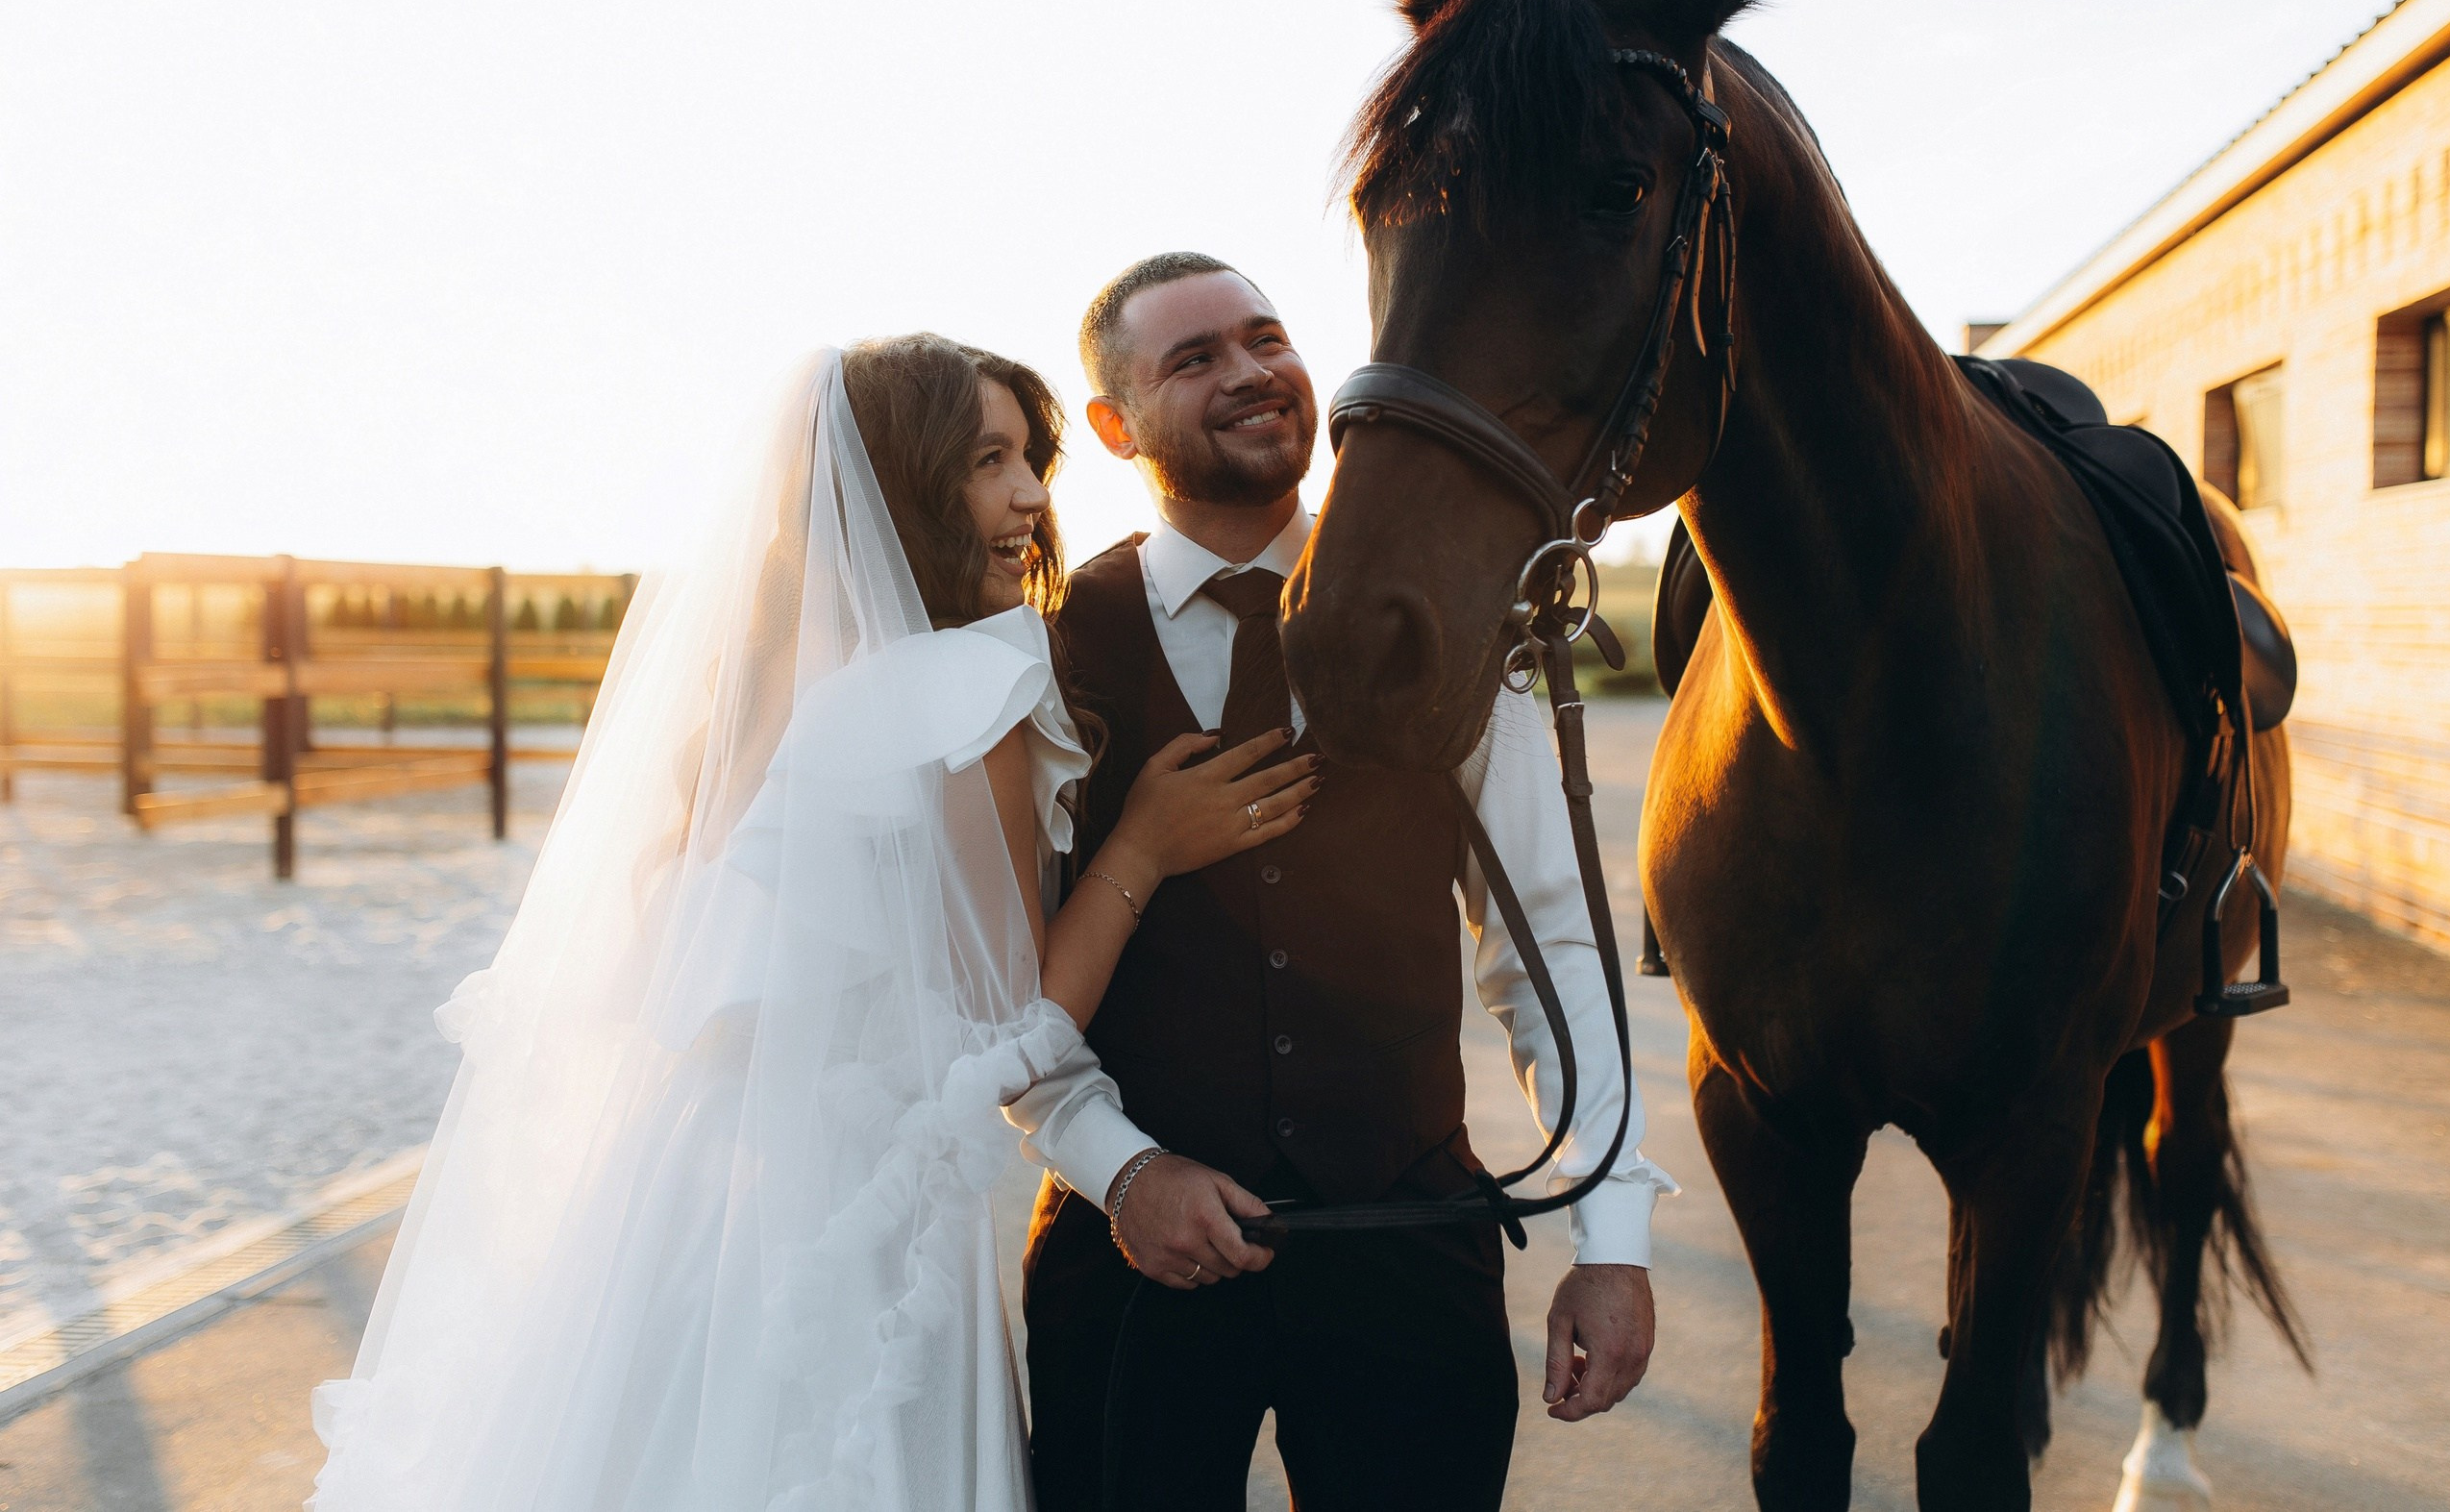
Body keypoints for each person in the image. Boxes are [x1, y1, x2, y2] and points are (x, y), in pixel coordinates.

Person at [308, 335, 1311, 1511]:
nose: (1032, 497)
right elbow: (1008, 1035)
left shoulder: (758, 681)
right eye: (988, 461)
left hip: (672, 1196)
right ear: (899, 485)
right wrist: (1142, 848)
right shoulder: (962, 687)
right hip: (844, 1224)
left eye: (1030, 459)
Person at [1006, 254, 1677, 1511]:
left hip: (1406, 1257)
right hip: (1131, 1261)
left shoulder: (1460, 620)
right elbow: (1003, 988)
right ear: (1113, 422)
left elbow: (1549, 934)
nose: (1253, 371)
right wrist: (1123, 1169)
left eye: (1266, 338)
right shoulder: (1047, 649)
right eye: (1195, 357)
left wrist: (1614, 1233)